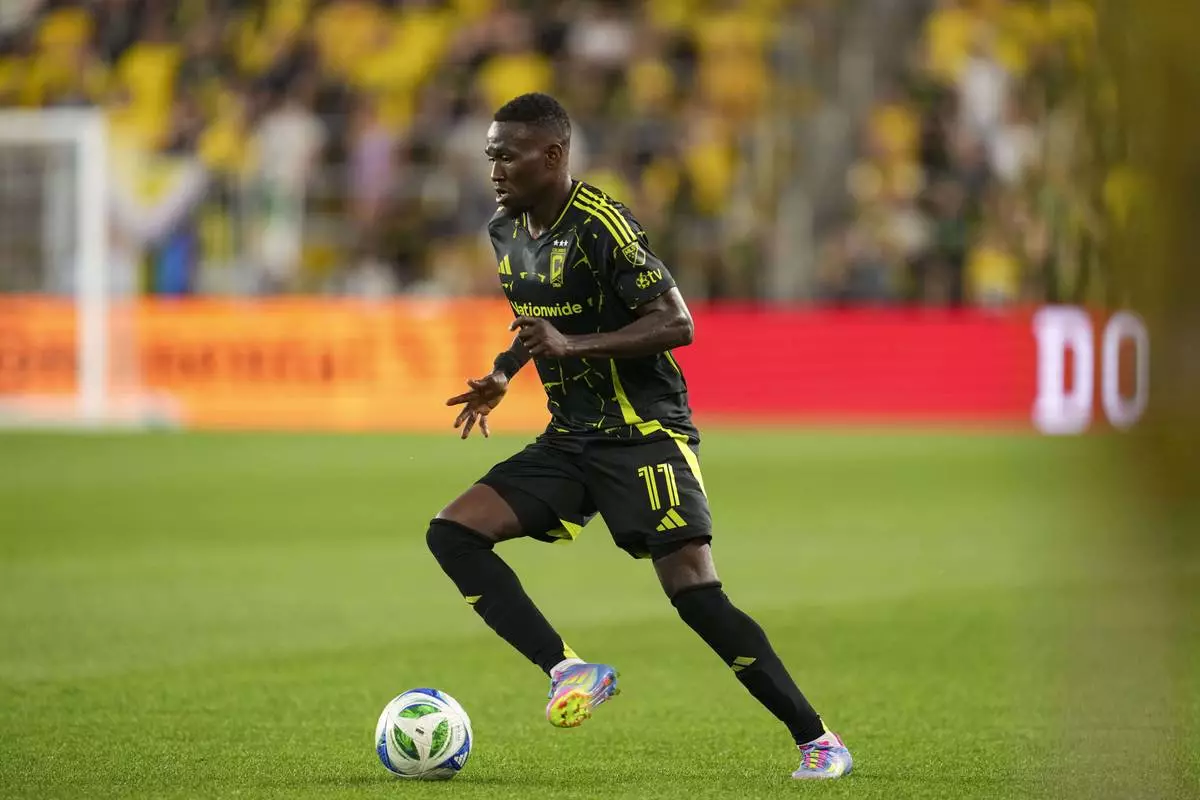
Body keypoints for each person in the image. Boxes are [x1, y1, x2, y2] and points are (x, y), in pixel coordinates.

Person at [427, 93, 853, 780]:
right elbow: (541, 324)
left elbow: (678, 323)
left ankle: (819, 740)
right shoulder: (505, 231)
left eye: (508, 155)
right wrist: (505, 370)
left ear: (553, 155)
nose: (495, 170)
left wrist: (572, 347)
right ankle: (568, 669)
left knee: (695, 595)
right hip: (571, 437)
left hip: (644, 433)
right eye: (491, 156)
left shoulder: (604, 225)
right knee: (452, 532)